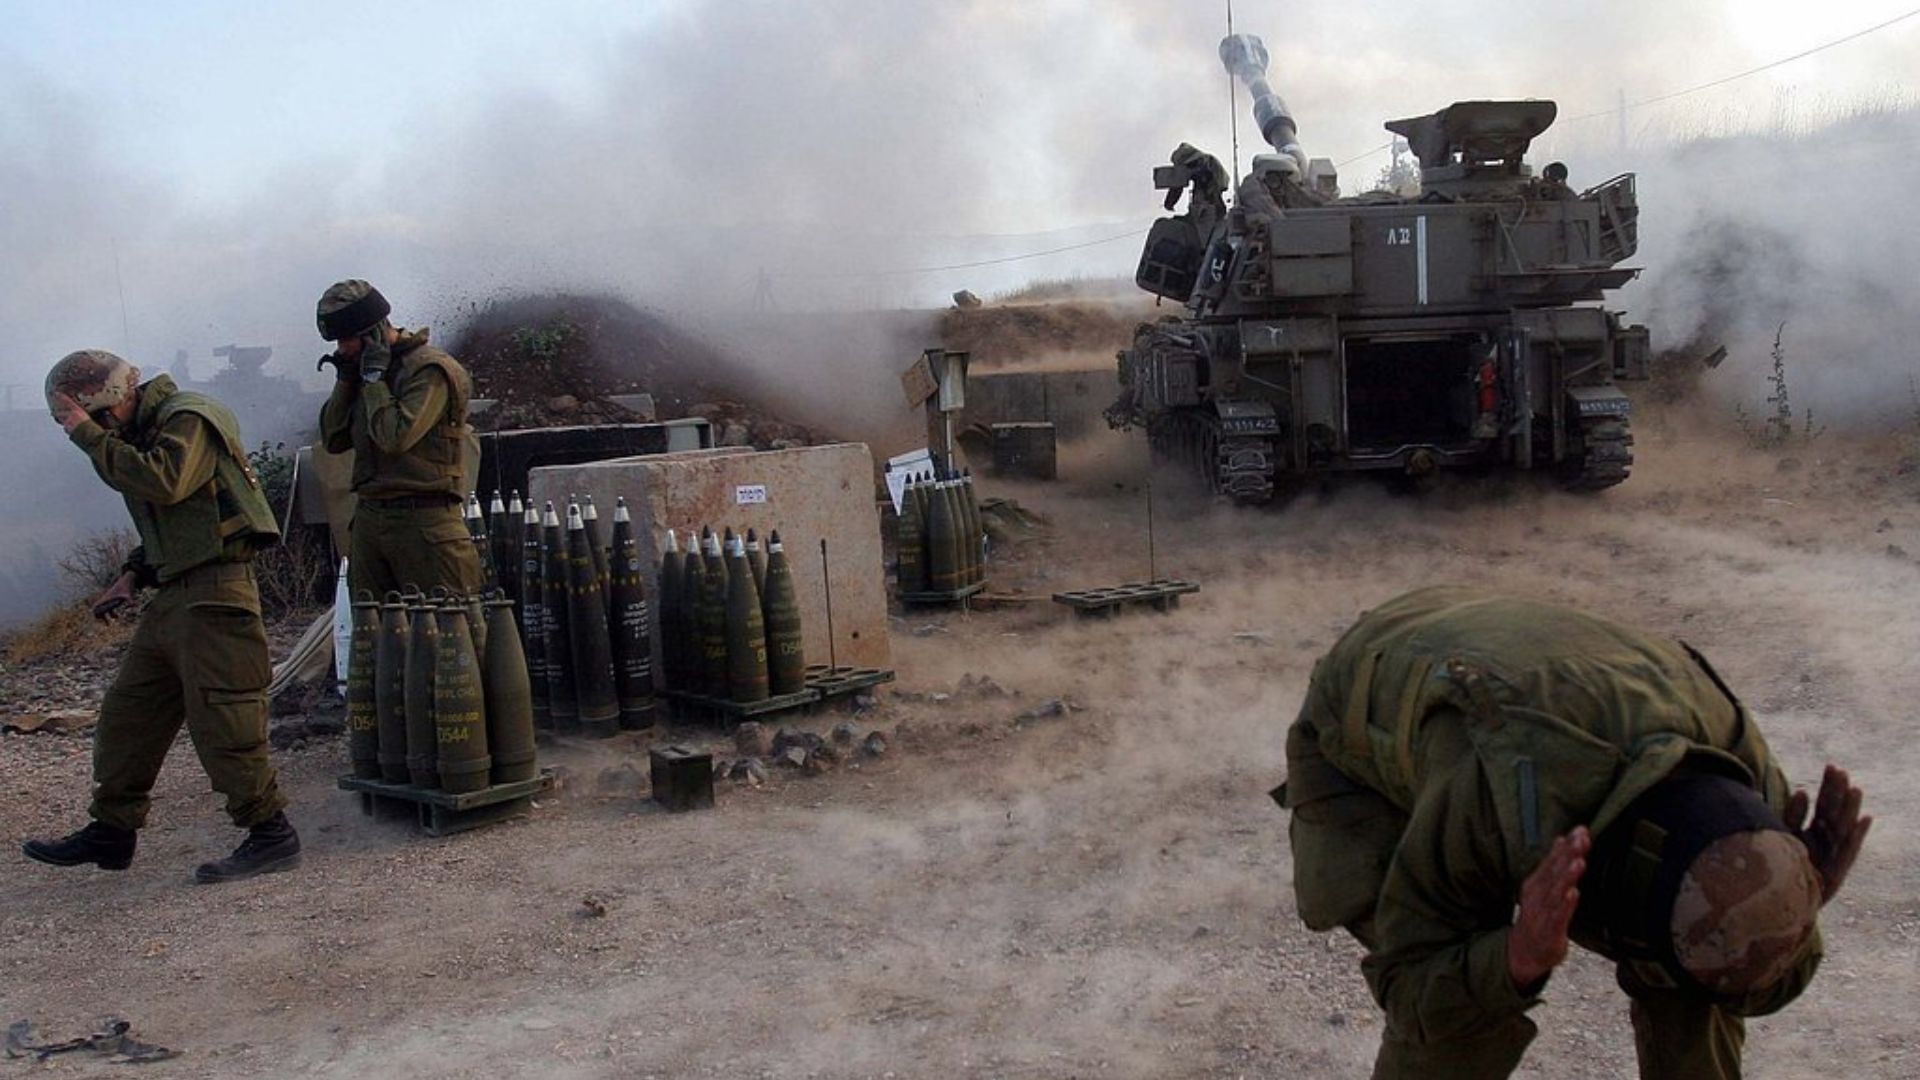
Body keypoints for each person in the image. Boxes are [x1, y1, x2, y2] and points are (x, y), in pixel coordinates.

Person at [1279, 586, 1870, 1079]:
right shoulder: (1495, 789)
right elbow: (1413, 982)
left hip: (1514, 655)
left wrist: (1796, 910)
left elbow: (1746, 972)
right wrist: (1513, 959)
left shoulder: (1753, 799)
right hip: (1368, 700)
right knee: (1462, 1013)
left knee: (1706, 959)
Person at [24, 350, 301, 884]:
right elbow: (178, 518)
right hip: (176, 592)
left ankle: (270, 832)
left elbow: (166, 482)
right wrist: (132, 575)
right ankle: (113, 829)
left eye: (84, 418)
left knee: (224, 719)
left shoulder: (189, 418)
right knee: (130, 715)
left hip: (217, 591)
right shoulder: (147, 431)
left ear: (107, 402)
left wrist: (88, 435)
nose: (84, 432)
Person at [314, 279, 482, 599]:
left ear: (374, 332)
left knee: (446, 636)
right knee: (372, 637)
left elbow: (394, 437)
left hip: (424, 523)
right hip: (370, 520)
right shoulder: (363, 371)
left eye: (348, 338)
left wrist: (375, 382)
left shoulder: (428, 371)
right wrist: (346, 380)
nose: (341, 348)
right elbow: (334, 439)